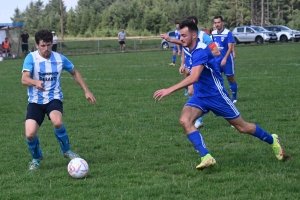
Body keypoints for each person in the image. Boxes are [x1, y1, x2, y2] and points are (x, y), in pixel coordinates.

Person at [153, 19, 289, 171]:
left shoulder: (201, 50)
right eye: (180, 36)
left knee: (243, 128)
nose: (181, 38)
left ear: (194, 35)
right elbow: (190, 69)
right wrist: (173, 41)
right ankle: (206, 156)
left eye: (183, 35)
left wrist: (169, 89)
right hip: (200, 96)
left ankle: (272, 140)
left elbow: (194, 77)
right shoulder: (189, 47)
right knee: (185, 120)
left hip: (217, 96)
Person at [21, 29, 97, 170]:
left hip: (53, 98)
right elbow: (24, 79)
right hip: (35, 101)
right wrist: (35, 82)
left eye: (49, 45)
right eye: (43, 45)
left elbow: (74, 72)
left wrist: (87, 91)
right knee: (30, 134)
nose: (46, 49)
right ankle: (37, 158)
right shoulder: (31, 58)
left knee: (57, 121)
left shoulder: (59, 58)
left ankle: (67, 151)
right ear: (37, 45)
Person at [212, 16, 238, 103]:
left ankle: (234, 97)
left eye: (218, 22)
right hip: (216, 60)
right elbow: (211, 46)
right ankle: (221, 97)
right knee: (217, 79)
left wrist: (225, 59)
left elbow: (230, 48)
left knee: (230, 78)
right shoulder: (213, 33)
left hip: (227, 60)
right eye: (215, 23)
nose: (217, 24)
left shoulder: (228, 33)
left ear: (222, 22)